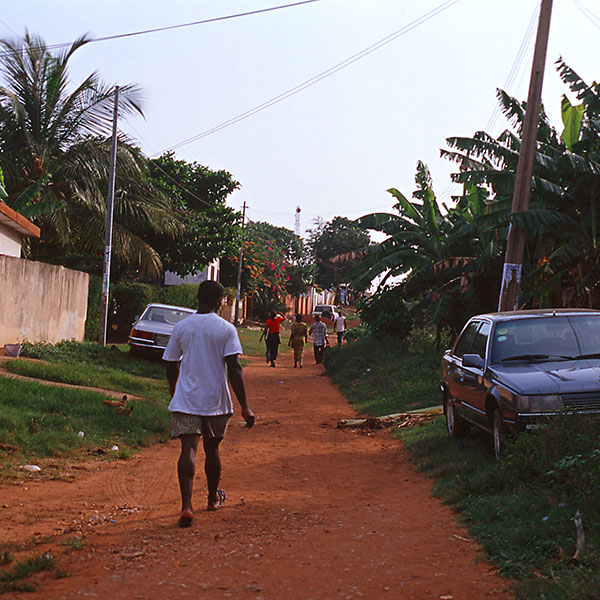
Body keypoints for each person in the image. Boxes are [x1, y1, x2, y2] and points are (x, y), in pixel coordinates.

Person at [163, 281, 254, 528]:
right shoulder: (226, 329)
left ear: (198, 298)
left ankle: (186, 507)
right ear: (219, 301)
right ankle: (212, 499)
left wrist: (174, 391)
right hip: (216, 402)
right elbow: (234, 368)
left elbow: (171, 363)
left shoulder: (182, 327)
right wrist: (245, 406)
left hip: (186, 400)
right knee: (212, 451)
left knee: (188, 450)